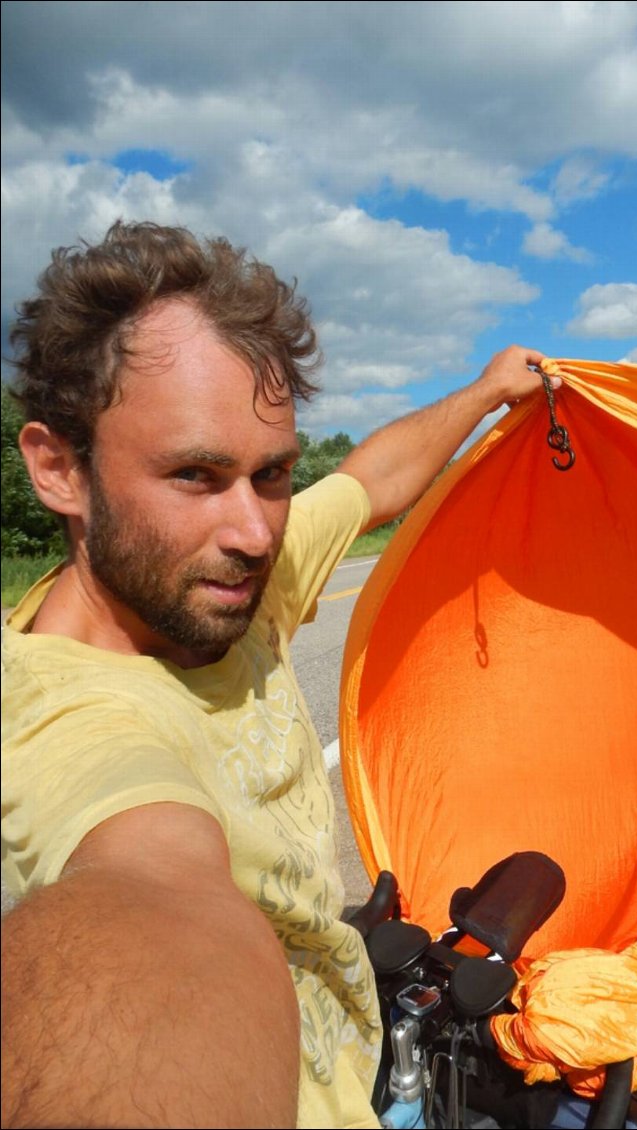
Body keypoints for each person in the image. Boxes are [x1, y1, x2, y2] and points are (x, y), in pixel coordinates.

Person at [0, 220, 556, 1130]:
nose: (257, 532)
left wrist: (489, 391)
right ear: (60, 468)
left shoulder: (219, 572)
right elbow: (149, 896)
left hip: (366, 1059)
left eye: (272, 474)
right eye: (194, 473)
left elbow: (375, 479)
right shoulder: (62, 715)